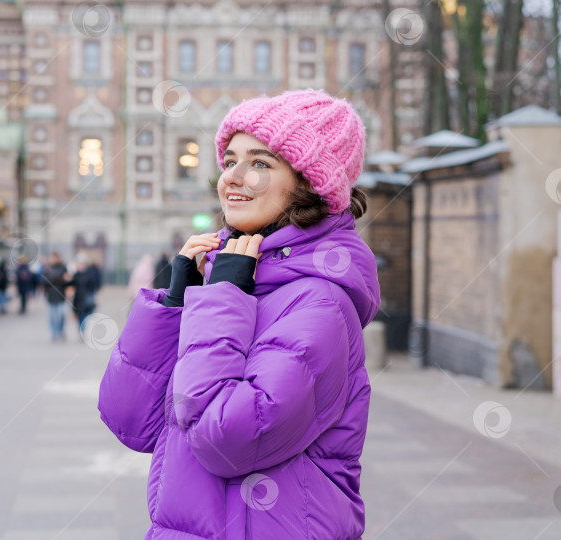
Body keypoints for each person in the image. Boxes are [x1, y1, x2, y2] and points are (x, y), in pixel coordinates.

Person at [98, 90, 381, 539]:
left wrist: (223, 296)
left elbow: (227, 439)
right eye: (230, 160)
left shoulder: (319, 301)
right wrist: (176, 305)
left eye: (261, 163)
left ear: (308, 182)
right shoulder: (235, 281)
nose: (233, 177)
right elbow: (132, 422)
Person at [42, 252, 70, 341]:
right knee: (52, 317)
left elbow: (67, 281)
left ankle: (60, 331)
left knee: (62, 315)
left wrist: (60, 279)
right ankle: (54, 333)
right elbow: (43, 280)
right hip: (51, 296)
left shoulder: (63, 267)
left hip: (61, 296)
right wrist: (54, 278)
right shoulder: (47, 268)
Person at [68, 253, 98, 334]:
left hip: (86, 297)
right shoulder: (76, 274)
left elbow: (93, 285)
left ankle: (83, 331)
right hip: (78, 298)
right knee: (80, 316)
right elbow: (71, 284)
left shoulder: (89, 273)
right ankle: (82, 331)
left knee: (85, 315)